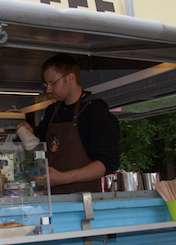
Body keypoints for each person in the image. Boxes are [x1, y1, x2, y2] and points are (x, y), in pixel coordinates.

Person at [18, 54, 120, 194]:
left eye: (53, 83)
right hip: (53, 200)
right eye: (46, 84)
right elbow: (38, 142)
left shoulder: (95, 112)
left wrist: (62, 178)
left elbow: (107, 164)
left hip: (84, 203)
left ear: (70, 78)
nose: (48, 90)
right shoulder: (52, 112)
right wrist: (29, 132)